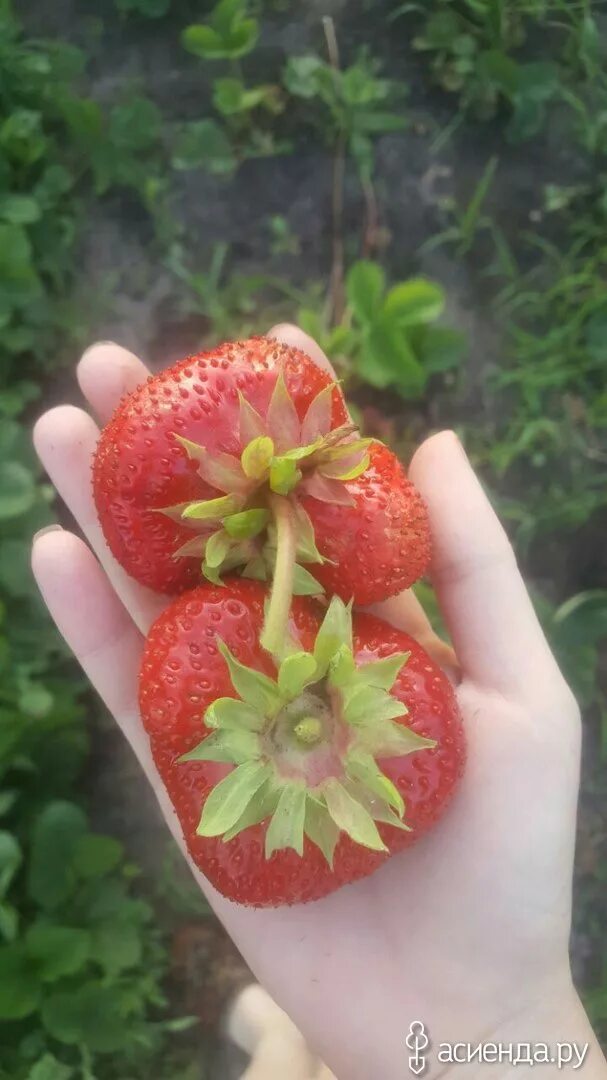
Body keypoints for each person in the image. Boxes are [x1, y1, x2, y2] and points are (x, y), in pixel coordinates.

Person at [31, 326, 606, 1080]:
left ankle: (270, 1028)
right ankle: (275, 1028)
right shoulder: (404, 734)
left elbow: (385, 548)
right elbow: (387, 545)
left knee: (277, 1054)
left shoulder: (208, 642)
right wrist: (499, 1029)